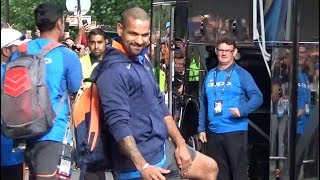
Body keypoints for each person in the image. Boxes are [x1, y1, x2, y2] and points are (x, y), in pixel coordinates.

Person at [96, 7, 218, 180]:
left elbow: (160, 103)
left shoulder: (141, 59)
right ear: (120, 29)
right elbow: (118, 125)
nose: (139, 41)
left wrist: (181, 144)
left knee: (209, 168)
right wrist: (143, 167)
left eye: (144, 35)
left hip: (161, 149)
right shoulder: (113, 71)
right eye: (133, 34)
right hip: (136, 165)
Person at [9, 2, 82, 179]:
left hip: (22, 131)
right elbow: (75, 89)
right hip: (52, 134)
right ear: (59, 23)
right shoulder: (67, 56)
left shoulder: (20, 52)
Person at [198, 37, 263, 180]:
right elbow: (203, 101)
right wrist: (201, 128)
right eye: (221, 50)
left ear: (234, 52)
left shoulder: (241, 74)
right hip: (214, 133)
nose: (224, 53)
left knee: (238, 175)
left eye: (228, 51)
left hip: (235, 132)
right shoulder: (210, 75)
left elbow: (257, 97)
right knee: (218, 175)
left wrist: (243, 110)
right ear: (216, 51)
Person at [1, 27, 30, 180]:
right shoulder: (11, 75)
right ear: (6, 51)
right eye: (18, 49)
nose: (23, 52)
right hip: (9, 149)